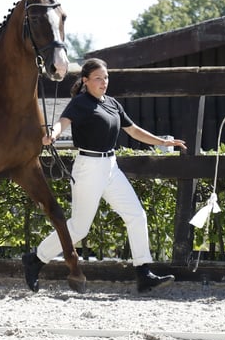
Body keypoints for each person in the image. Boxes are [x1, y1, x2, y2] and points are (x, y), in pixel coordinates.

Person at [22, 58, 187, 294]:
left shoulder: (112, 103)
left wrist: (162, 142)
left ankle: (143, 273)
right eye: (98, 78)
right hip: (89, 168)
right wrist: (53, 135)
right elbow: (62, 122)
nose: (104, 82)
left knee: (136, 215)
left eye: (106, 77)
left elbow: (133, 130)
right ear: (85, 81)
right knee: (79, 228)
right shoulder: (80, 103)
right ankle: (35, 259)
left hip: (111, 166)